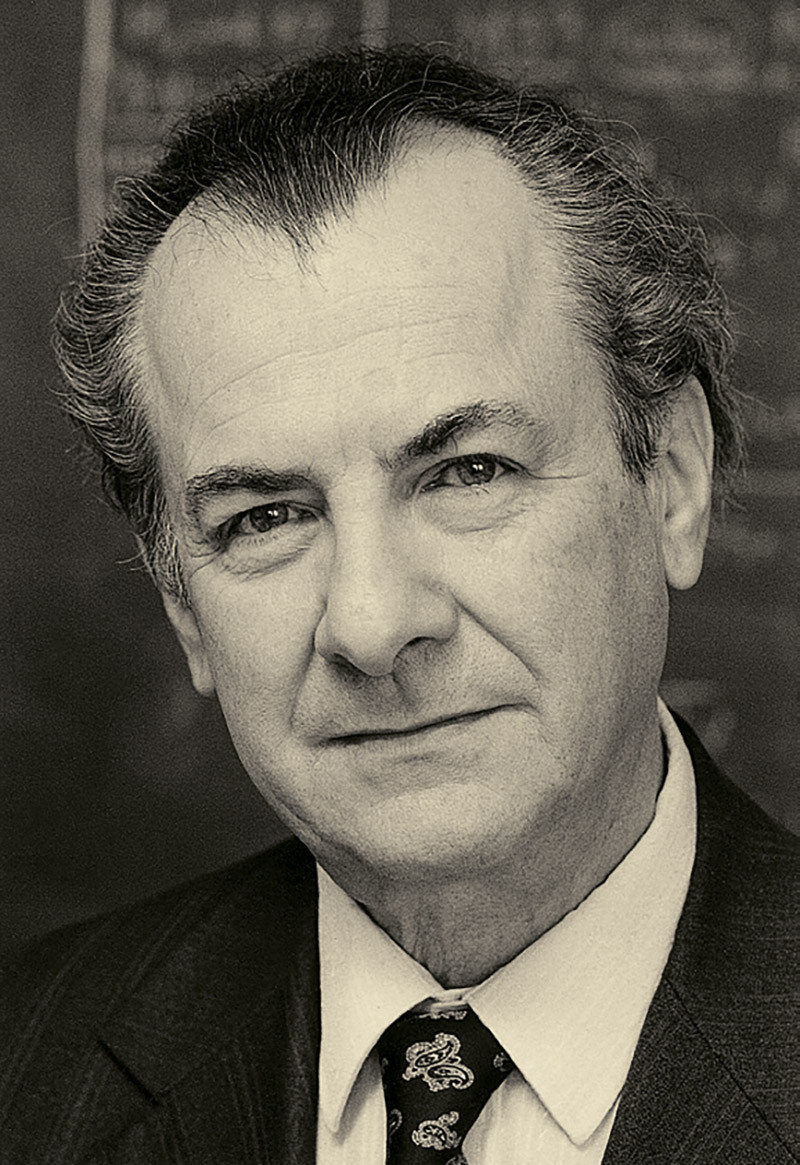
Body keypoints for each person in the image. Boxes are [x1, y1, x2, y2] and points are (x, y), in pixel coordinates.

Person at [0, 47, 796, 1164]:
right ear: (182, 605)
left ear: (670, 478)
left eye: (468, 471)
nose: (371, 626)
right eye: (266, 518)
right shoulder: (27, 1073)